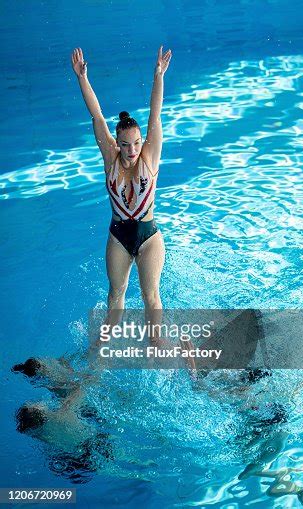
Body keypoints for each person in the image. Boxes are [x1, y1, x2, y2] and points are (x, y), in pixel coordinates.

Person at [71, 46, 172, 349]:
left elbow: (156, 114)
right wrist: (82, 78)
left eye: (137, 144)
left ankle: (157, 343)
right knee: (115, 298)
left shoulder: (149, 157)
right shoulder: (110, 158)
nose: (131, 151)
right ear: (117, 143)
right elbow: (97, 114)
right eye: (126, 145)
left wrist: (158, 75)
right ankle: (99, 351)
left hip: (148, 235)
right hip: (118, 237)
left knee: (150, 296)